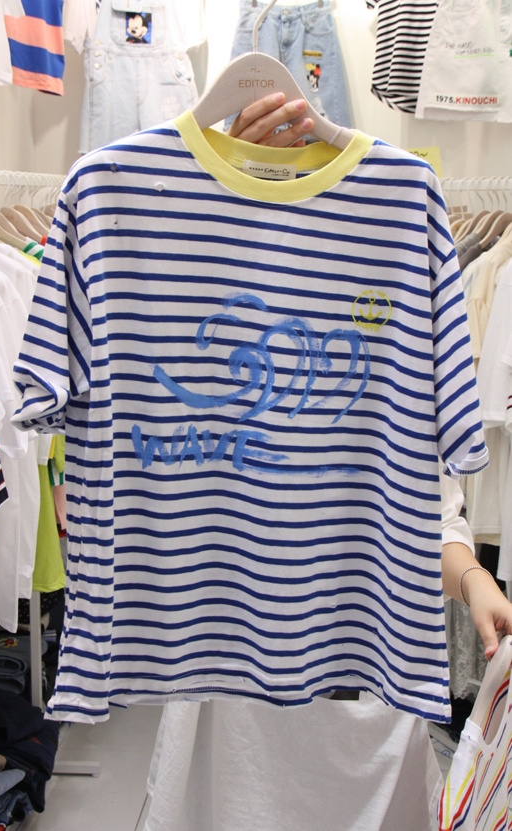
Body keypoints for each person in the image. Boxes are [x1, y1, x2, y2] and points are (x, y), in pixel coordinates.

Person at [140, 94, 512, 831]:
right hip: (233, 699)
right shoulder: (206, 324)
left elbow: (427, 509)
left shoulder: (385, 307)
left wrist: (474, 580)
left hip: (364, 706)